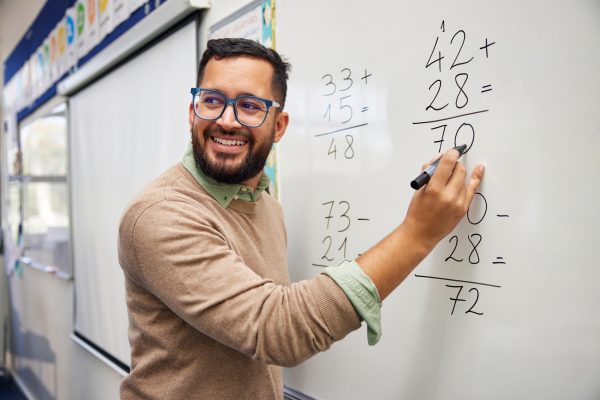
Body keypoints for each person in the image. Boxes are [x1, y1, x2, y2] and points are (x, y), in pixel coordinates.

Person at [118, 38, 484, 400]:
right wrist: (417, 233)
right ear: (192, 112)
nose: (226, 120)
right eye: (212, 101)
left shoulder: (266, 206)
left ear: (279, 126)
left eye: (249, 106)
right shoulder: (160, 214)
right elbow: (277, 329)